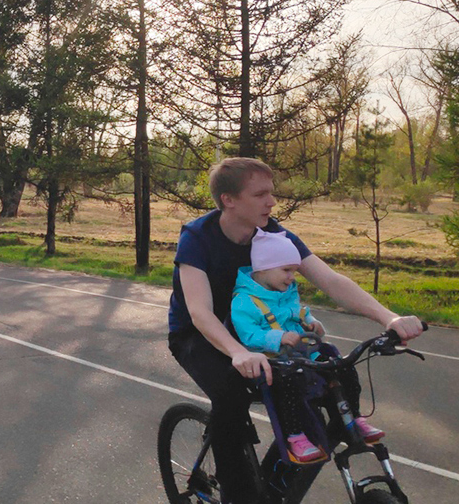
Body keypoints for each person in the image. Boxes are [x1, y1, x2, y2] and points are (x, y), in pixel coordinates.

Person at [168, 157, 424, 504]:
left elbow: (331, 280)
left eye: (271, 193)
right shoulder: (198, 238)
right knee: (231, 395)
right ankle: (238, 495)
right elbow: (199, 312)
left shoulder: (275, 235)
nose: (272, 202)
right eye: (260, 194)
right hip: (200, 335)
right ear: (229, 200)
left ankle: (276, 481)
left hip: (261, 332)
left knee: (320, 381)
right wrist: (239, 352)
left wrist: (387, 317)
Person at [230, 229, 384, 464]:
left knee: (341, 365)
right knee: (289, 382)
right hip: (271, 360)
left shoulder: (285, 291)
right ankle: (295, 436)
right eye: (286, 270)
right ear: (262, 268)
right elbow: (249, 335)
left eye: (294, 271)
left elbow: (299, 312)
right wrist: (278, 337)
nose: (292, 277)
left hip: (299, 354)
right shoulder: (245, 301)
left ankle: (352, 417)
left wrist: (311, 323)